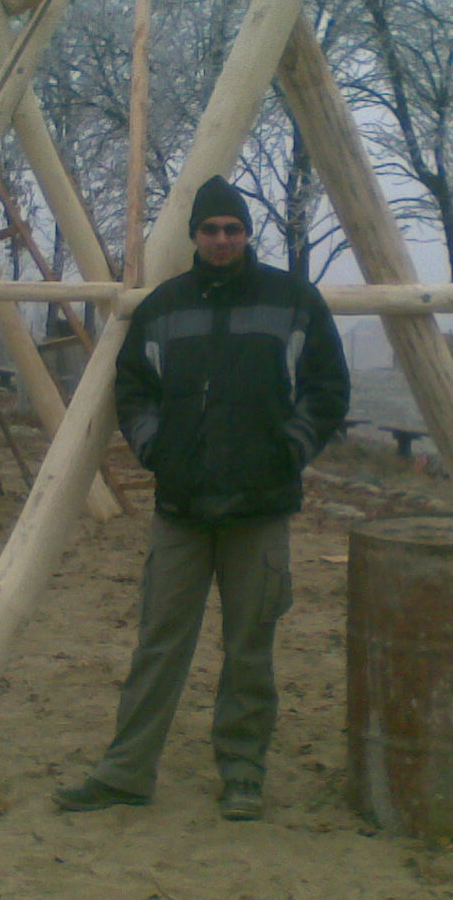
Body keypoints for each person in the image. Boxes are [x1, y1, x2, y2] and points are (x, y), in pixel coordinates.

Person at [54, 174, 350, 821]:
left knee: (249, 648)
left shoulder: (293, 301)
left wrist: (290, 447)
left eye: (232, 229)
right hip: (182, 510)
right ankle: (126, 770)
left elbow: (327, 388)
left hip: (259, 508)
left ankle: (242, 772)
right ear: (194, 235)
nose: (222, 239)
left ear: (247, 233)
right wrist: (156, 448)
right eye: (211, 229)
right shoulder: (163, 309)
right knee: (158, 642)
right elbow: (134, 389)